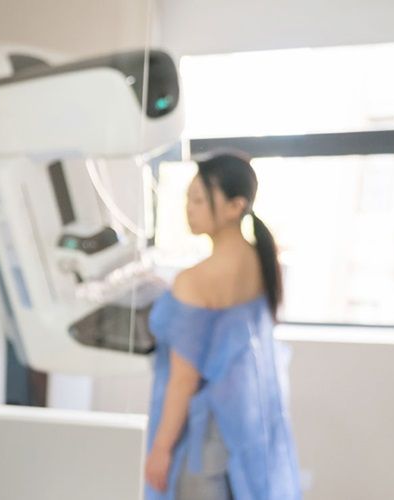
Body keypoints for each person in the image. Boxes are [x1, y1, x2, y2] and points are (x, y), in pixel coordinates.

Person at [143, 152, 301, 500]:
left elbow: (183, 381)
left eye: (199, 199)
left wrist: (161, 449)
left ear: (235, 206)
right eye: (188, 197)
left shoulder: (196, 280)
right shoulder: (260, 262)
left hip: (200, 440)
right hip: (243, 429)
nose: (189, 208)